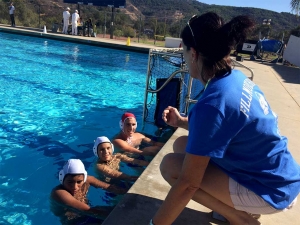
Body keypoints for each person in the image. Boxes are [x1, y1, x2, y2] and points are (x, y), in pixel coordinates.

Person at [151, 12, 300, 225]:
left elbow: (187, 185)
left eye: (183, 51)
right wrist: (181, 122)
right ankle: (236, 210)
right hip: (281, 176)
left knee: (171, 168)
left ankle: (239, 218)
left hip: (271, 191)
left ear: (193, 53)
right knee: (182, 144)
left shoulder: (213, 102)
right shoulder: (234, 79)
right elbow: (223, 127)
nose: (183, 57)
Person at [50, 159, 127, 224]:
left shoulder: (87, 180)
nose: (75, 187)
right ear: (62, 179)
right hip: (74, 221)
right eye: (70, 182)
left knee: (121, 209)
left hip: (89, 213)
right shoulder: (58, 193)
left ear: (84, 178)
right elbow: (87, 210)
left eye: (79, 182)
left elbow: (110, 187)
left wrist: (127, 192)